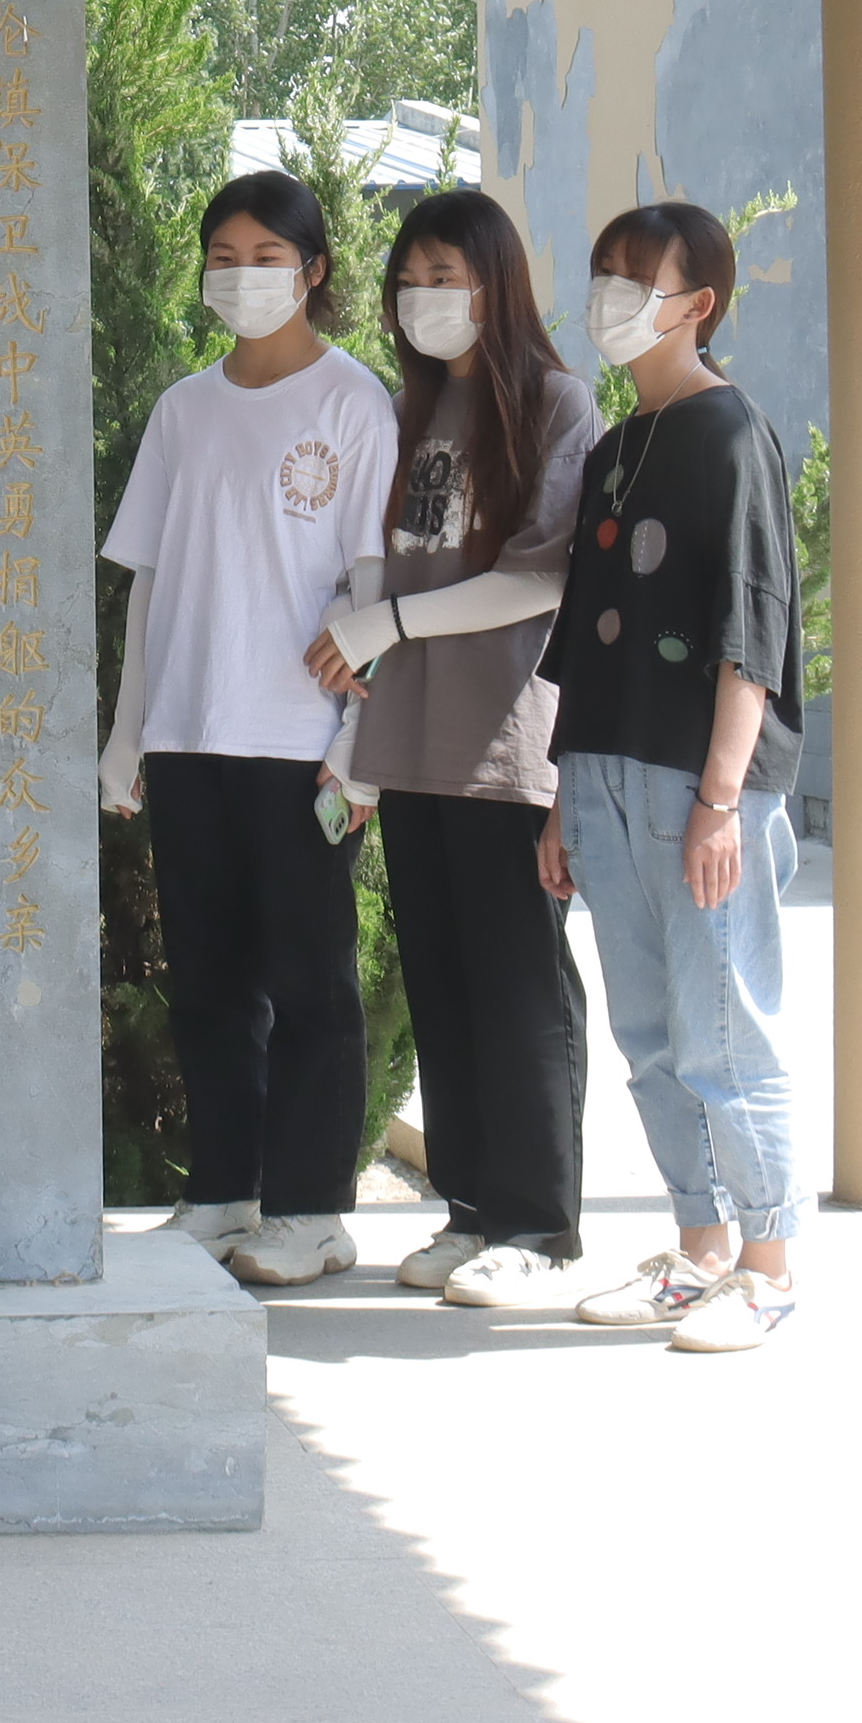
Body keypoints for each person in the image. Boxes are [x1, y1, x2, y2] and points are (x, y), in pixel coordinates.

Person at [99, 172, 400, 1291]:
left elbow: (373, 587)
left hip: (299, 740)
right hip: (189, 731)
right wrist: (128, 730)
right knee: (211, 978)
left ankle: (313, 1209)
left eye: (266, 257)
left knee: (311, 981)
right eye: (222, 258)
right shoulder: (184, 411)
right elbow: (148, 580)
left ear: (313, 270)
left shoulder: (353, 403)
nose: (242, 277)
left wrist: (359, 749)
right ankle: (225, 1190)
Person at [301, 188, 596, 1308]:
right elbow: (382, 566)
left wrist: (388, 624)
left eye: (445, 277)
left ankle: (539, 1225)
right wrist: (361, 731)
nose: (422, 297)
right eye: (409, 279)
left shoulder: (556, 404)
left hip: (504, 743)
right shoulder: (409, 410)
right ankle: (473, 1211)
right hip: (415, 743)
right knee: (445, 987)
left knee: (520, 989)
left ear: (496, 284)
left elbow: (538, 577)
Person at [537, 202, 809, 1353]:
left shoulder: (730, 433)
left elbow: (754, 634)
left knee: (723, 1029)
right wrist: (563, 796)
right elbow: (585, 635)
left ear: (698, 304)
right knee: (650, 1034)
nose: (611, 293)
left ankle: (769, 1262)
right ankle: (699, 1248)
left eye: (636, 276)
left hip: (699, 781)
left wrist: (721, 800)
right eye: (604, 270)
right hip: (605, 773)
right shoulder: (615, 449)